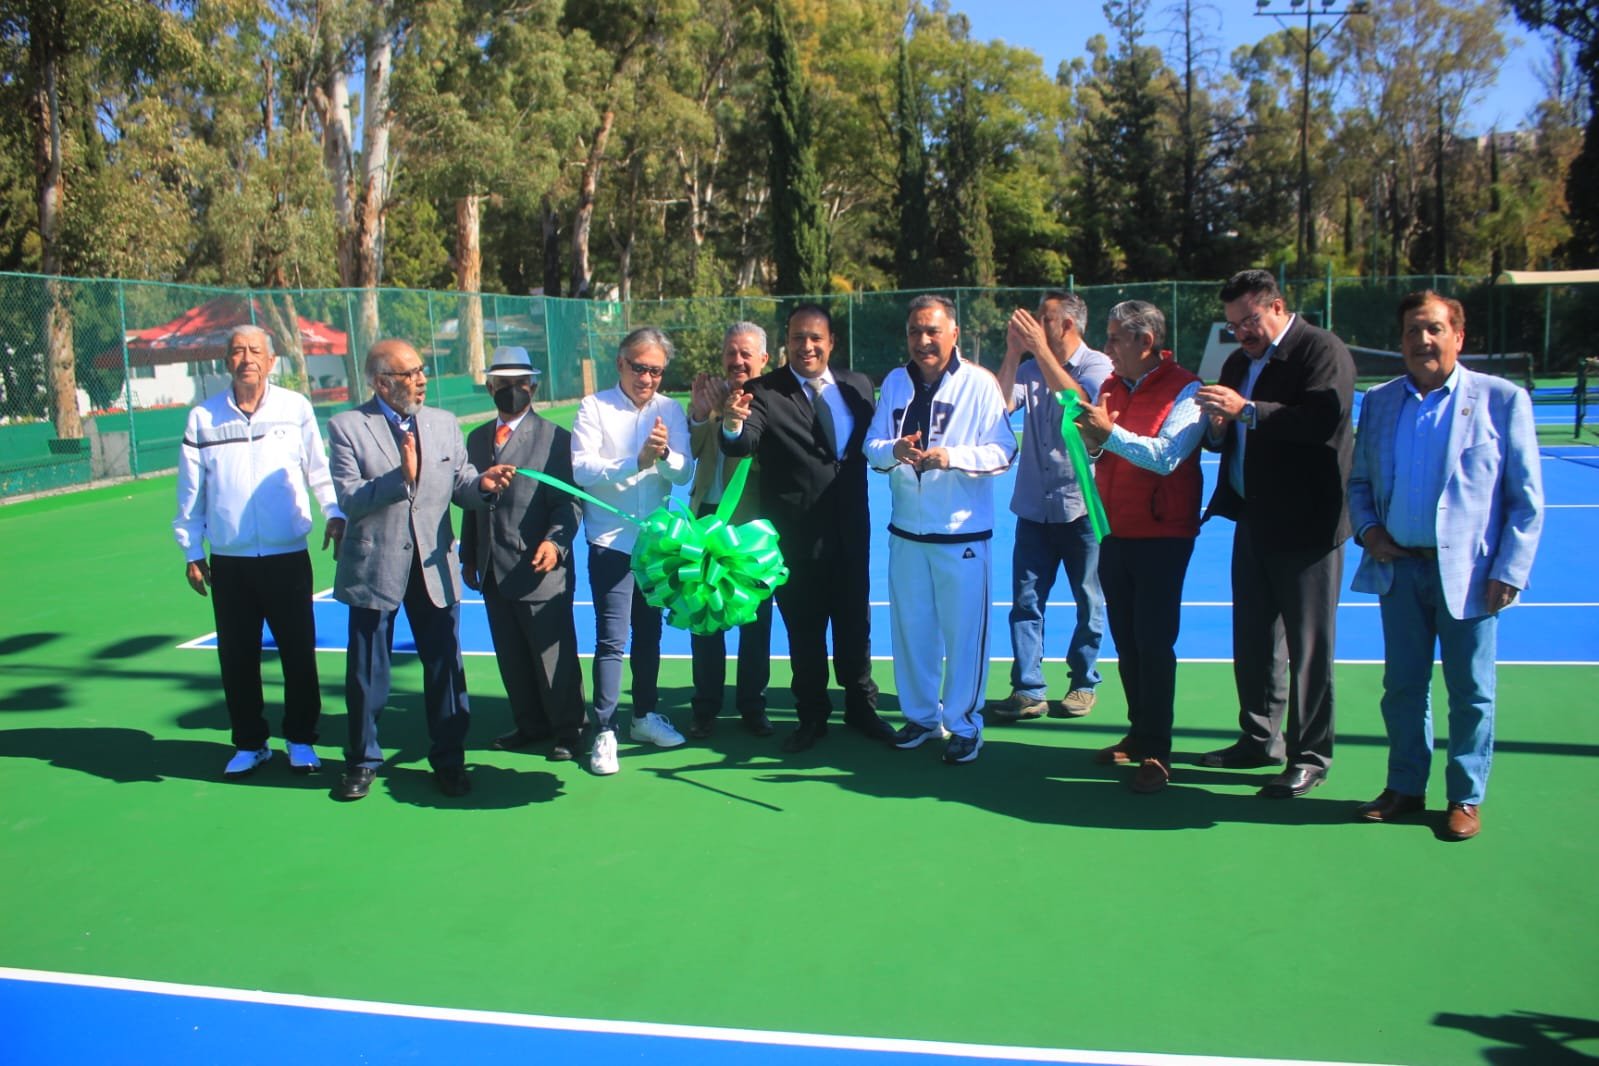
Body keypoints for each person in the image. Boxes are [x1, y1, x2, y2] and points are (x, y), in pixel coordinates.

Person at [1347, 291, 1543, 841]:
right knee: (1403, 688)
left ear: (1459, 335)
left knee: (1471, 692)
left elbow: (1525, 499)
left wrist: (1510, 568)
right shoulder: (1381, 401)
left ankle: (1465, 797)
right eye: (1412, 330)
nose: (1422, 340)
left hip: (1473, 578)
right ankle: (1405, 787)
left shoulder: (1500, 400)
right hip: (1400, 571)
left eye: (1434, 329)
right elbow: (1359, 483)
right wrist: (1371, 532)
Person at [326, 340, 516, 801]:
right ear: (381, 383)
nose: (420, 379)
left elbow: (462, 485)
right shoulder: (347, 427)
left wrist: (484, 487)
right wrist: (400, 479)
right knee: (368, 671)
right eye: (408, 373)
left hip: (434, 566)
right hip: (375, 565)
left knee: (446, 668)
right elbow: (350, 499)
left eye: (421, 370)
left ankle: (449, 760)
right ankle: (362, 761)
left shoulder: (444, 424)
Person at [1196, 269, 1355, 799]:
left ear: (1278, 306)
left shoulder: (1320, 350)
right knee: (1255, 638)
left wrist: (1247, 411)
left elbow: (1320, 421)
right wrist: (1220, 428)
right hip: (1255, 520)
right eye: (1234, 324)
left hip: (1308, 527)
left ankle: (1310, 755)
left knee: (1309, 647)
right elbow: (1233, 434)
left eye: (1249, 320)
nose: (1241, 332)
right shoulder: (1240, 362)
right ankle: (1260, 738)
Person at [721, 303, 896, 753]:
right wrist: (732, 422)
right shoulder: (763, 391)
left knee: (856, 627)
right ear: (787, 343)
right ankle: (812, 716)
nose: (807, 346)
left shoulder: (857, 386)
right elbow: (742, 441)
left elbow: (873, 447)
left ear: (831, 343)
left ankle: (861, 708)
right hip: (796, 540)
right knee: (805, 632)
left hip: (851, 533)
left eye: (816, 338)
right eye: (798, 338)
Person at [173, 325, 344, 778]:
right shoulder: (202, 419)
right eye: (237, 351)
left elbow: (318, 469)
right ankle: (250, 743)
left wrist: (334, 512)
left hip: (288, 558)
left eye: (255, 351)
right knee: (237, 656)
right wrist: (192, 550)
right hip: (230, 563)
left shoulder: (295, 409)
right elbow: (191, 493)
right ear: (225, 361)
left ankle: (302, 739)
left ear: (271, 361)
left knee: (298, 654)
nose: (246, 358)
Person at [865, 295, 1016, 764]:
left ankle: (966, 724)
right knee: (911, 631)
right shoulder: (893, 382)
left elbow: (1003, 451)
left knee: (965, 634)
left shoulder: (980, 383)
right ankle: (921, 717)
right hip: (906, 533)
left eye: (932, 331)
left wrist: (952, 457)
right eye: (915, 331)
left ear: (954, 333)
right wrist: (896, 451)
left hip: (962, 536)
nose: (923, 340)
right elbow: (872, 448)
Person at [1074, 302, 1205, 792]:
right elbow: (1102, 451)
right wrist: (1092, 441)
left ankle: (1159, 752)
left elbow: (1168, 456)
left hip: (1163, 538)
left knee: (1154, 643)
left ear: (1144, 342)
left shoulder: (1187, 389)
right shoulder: (1110, 387)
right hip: (1114, 532)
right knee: (1127, 642)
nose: (1106, 349)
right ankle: (1138, 732)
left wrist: (1110, 434)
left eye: (1113, 339)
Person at [571, 327, 694, 775]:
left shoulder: (670, 409)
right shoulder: (593, 407)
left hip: (654, 545)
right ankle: (604, 730)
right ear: (621, 363)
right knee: (611, 639)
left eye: (656, 370)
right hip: (609, 544)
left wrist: (662, 458)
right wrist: (636, 461)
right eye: (640, 367)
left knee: (650, 634)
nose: (647, 378)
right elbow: (583, 470)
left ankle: (643, 716)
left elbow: (684, 473)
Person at [991, 291, 1114, 723]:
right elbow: (1000, 406)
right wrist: (1012, 352)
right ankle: (1028, 690)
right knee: (1025, 601)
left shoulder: (1098, 366)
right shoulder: (1027, 367)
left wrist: (1041, 352)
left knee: (1089, 599)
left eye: (1045, 318)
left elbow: (1081, 407)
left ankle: (1082, 683)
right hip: (1032, 508)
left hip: (1081, 507)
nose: (1035, 325)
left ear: (1068, 325)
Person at [460, 347, 586, 763]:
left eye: (520, 384)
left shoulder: (556, 439)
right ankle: (529, 723)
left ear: (533, 386)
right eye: (503, 385)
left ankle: (569, 729)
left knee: (554, 658)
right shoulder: (476, 438)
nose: (512, 391)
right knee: (511, 656)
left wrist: (555, 542)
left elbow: (568, 504)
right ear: (489, 387)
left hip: (539, 568)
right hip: (493, 569)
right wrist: (469, 555)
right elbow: (472, 499)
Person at [686, 322, 774, 739]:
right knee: (706, 619)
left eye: (745, 354)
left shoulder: (775, 400)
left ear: (763, 360)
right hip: (705, 519)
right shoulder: (713, 397)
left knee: (754, 621)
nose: (737, 361)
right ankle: (705, 706)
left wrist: (737, 422)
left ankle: (752, 706)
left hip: (750, 528)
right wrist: (703, 415)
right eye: (730, 353)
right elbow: (695, 451)